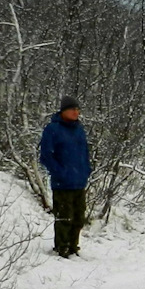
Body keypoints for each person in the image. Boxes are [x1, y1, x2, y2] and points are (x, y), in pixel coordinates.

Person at [38, 97, 91, 257]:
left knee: (78, 218)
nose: (76, 112)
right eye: (72, 109)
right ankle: (62, 248)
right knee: (64, 217)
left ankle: (73, 246)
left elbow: (84, 153)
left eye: (78, 109)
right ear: (64, 111)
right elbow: (46, 156)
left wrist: (86, 170)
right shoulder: (53, 129)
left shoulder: (79, 129)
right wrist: (60, 172)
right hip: (62, 183)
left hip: (79, 182)